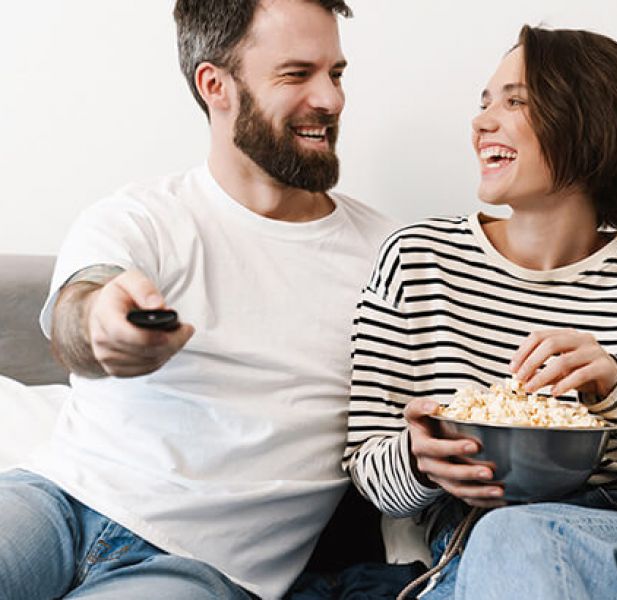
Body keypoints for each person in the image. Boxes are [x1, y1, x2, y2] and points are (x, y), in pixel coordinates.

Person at [0, 1, 401, 599]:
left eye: (336, 73)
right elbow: (77, 312)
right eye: (297, 75)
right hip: (55, 503)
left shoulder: (389, 257)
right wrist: (106, 327)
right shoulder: (142, 215)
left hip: (199, 570)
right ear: (216, 85)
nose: (331, 100)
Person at [343, 25, 617, 599]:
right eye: (484, 102)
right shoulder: (416, 261)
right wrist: (417, 459)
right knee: (509, 539)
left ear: (589, 123)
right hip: (477, 550)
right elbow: (368, 472)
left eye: (516, 101)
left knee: (519, 538)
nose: (482, 122)